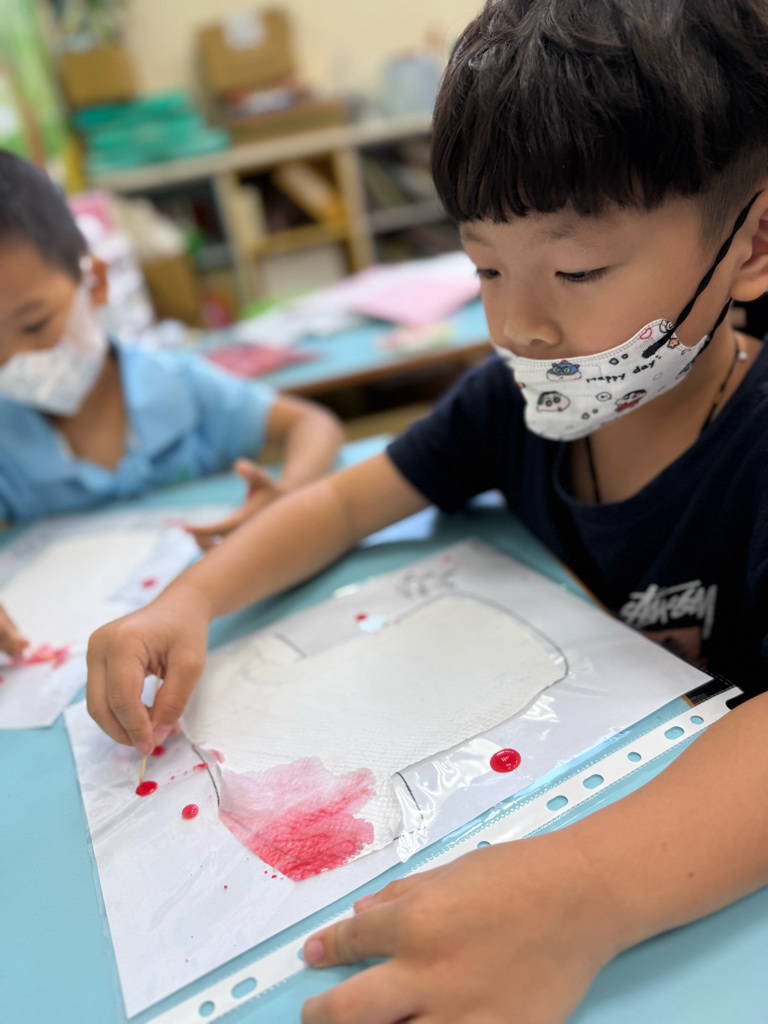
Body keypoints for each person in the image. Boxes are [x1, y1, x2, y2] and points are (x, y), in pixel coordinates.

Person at [87, 0, 768, 1020]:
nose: (518, 324)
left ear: (753, 243)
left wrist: (584, 889)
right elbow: (344, 501)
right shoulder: (508, 404)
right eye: (485, 266)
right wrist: (189, 599)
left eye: (578, 271)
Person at [0, 151, 343, 661]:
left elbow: (314, 425)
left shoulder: (180, 385)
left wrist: (287, 496)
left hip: (226, 634)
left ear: (95, 282)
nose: (13, 357)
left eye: (34, 324)